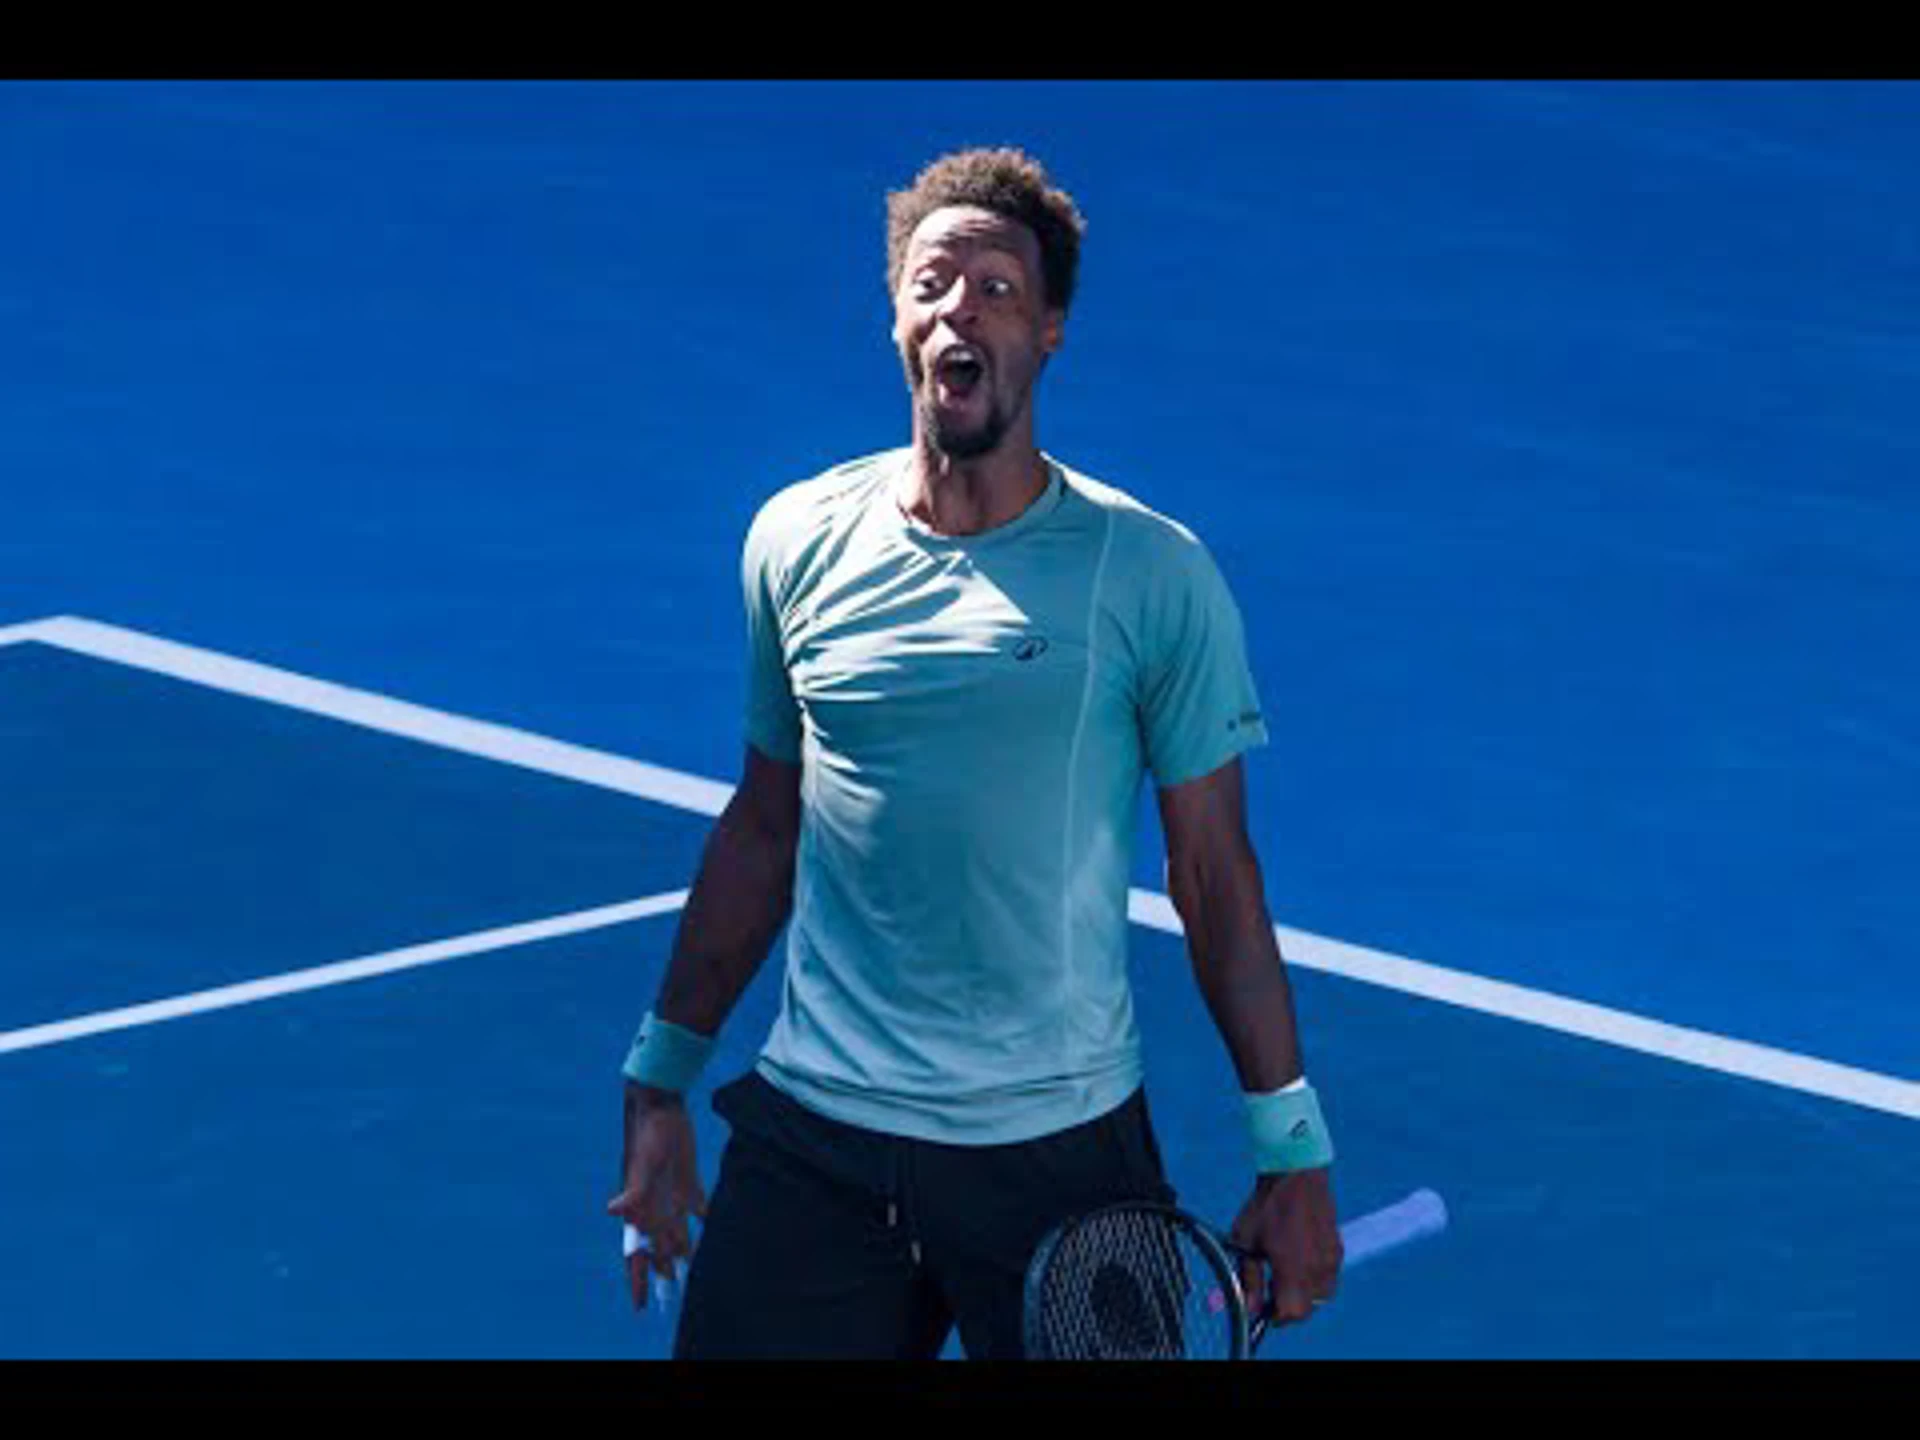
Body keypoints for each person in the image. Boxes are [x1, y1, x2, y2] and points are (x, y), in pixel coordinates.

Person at [606, 146, 1342, 1359]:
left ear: (1050, 328)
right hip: (819, 1136)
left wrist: (1291, 1147)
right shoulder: (796, 541)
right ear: (897, 313)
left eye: (1000, 288)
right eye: (936, 282)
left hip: (1057, 1153)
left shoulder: (1149, 574)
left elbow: (1213, 872)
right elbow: (763, 826)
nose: (964, 308)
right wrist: (658, 1079)